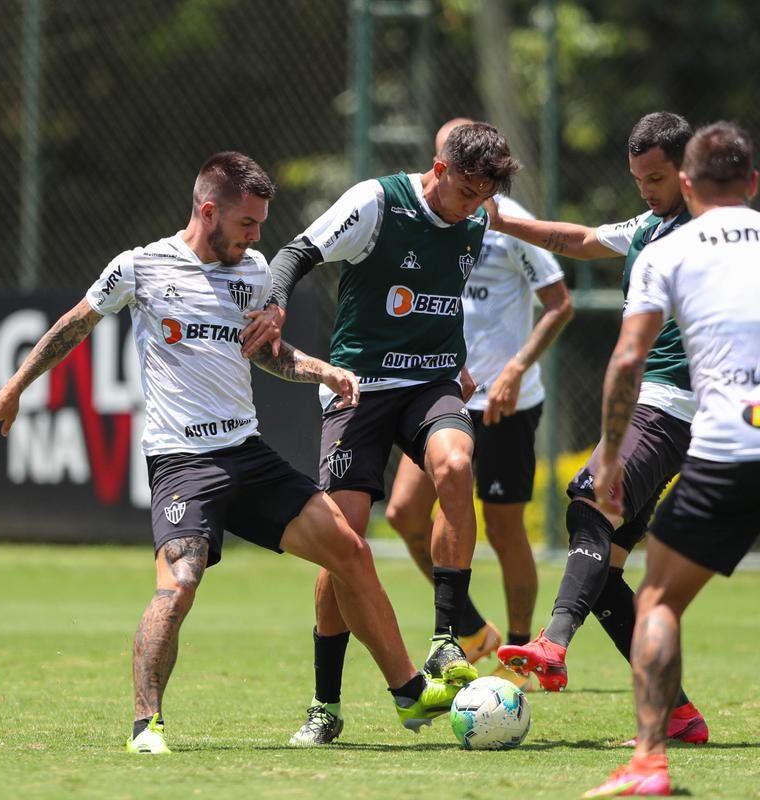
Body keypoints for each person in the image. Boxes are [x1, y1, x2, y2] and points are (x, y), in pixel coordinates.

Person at [0, 150, 463, 754]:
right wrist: (12, 389)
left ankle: (409, 692)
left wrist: (321, 372)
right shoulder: (142, 267)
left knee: (350, 550)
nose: (258, 237)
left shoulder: (253, 270)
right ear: (208, 212)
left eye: (260, 225)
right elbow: (73, 326)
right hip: (183, 462)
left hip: (248, 454)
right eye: (247, 224)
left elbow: (266, 353)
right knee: (178, 585)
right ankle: (146, 725)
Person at [241, 123, 522, 745]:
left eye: (484, 196)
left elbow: (450, 296)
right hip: (358, 388)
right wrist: (276, 304)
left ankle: (447, 641)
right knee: (342, 543)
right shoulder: (376, 202)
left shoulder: (477, 221)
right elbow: (294, 252)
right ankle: (325, 705)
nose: (473, 205)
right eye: (466, 191)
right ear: (438, 168)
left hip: (433, 383)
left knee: (455, 465)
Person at [495, 112, 708, 743]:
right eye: (639, 177)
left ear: (688, 170)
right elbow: (581, 239)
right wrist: (503, 220)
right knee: (607, 570)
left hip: (671, 409)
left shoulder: (714, 232)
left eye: (658, 177)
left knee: (591, 499)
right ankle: (679, 713)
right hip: (659, 410)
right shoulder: (651, 224)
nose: (647, 188)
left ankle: (554, 643)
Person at [583, 121, 760, 797]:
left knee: (656, 599)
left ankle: (651, 762)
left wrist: (607, 459)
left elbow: (629, 358)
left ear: (686, 184)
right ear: (752, 184)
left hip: (725, 448)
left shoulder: (669, 250)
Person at [385, 118, 573, 689]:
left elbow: (559, 304)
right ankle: (469, 629)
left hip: (506, 404)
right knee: (403, 515)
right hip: (441, 393)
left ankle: (520, 650)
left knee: (505, 528)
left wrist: (516, 368)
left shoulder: (505, 222)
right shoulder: (420, 217)